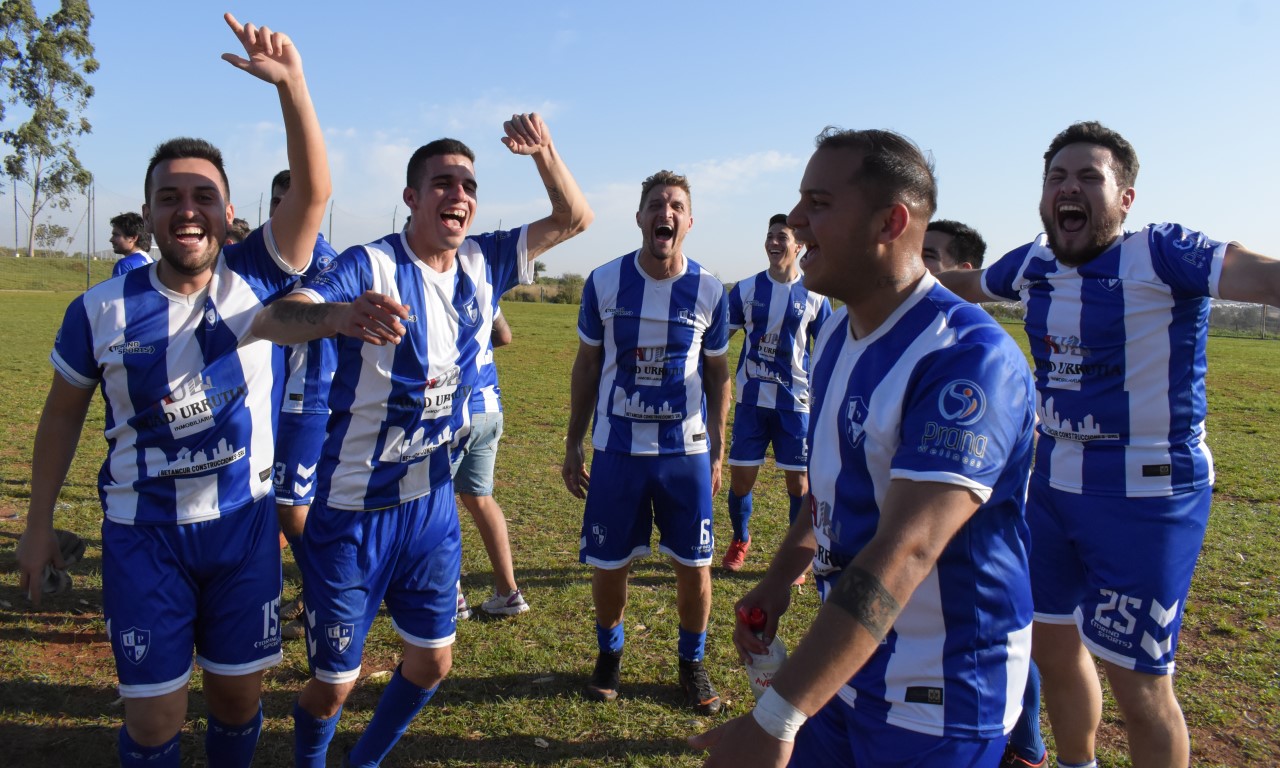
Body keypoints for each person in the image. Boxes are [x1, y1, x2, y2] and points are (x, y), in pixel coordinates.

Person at [15, 14, 329, 768]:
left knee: (237, 701)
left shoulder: (255, 274)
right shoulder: (98, 310)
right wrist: (37, 522)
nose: (186, 208)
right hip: (141, 534)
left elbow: (314, 193)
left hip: (243, 526)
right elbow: (60, 417)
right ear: (150, 213)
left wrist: (293, 86)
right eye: (169, 196)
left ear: (226, 212)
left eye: (203, 195)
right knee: (155, 722)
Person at [936, 120, 1280, 768]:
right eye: (1057, 177)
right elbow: (967, 283)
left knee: (1141, 685)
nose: (1070, 187)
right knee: (1051, 643)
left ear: (1125, 199)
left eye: (1090, 177)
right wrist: (892, 275)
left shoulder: (1163, 253)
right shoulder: (1035, 263)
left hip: (1148, 497)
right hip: (1053, 484)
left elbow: (1265, 279)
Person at [252, 112, 591, 767]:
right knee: (333, 685)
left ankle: (366, 760)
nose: (458, 194)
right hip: (354, 513)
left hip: (432, 511)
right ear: (411, 197)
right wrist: (339, 317)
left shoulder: (483, 260)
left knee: (433, 662)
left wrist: (545, 151)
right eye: (442, 182)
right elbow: (275, 318)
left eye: (467, 184)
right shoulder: (369, 264)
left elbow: (574, 217)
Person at [691, 128, 1037, 767]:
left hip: (939, 696)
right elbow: (830, 488)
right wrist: (779, 578)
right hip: (848, 667)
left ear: (891, 222)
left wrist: (773, 718)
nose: (796, 221)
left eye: (818, 202)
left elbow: (908, 547)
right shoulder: (838, 336)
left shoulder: (967, 360)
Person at [562, 170, 732, 715]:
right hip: (617, 453)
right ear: (640, 217)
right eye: (657, 204)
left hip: (685, 455)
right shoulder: (604, 281)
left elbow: (718, 374)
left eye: (677, 205)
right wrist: (573, 441)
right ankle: (609, 657)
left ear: (688, 221)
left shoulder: (710, 289)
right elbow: (587, 364)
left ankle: (692, 663)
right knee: (610, 566)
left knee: (695, 566)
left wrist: (720, 450)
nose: (667, 212)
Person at [924, 217, 1046, 768]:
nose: (914, 263)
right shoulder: (903, 338)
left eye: (929, 255)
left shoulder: (980, 356)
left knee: (998, 641)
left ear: (964, 272)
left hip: (971, 567)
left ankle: (1027, 744)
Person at [721, 213, 830, 573]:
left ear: (798, 245)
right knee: (741, 480)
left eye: (781, 236)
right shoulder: (747, 289)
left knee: (799, 484)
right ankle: (740, 538)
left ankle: (795, 556)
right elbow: (719, 340)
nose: (773, 242)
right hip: (751, 401)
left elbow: (829, 349)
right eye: (769, 235)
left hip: (796, 404)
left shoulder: (815, 295)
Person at [263, 168, 341, 640]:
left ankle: (329, 596)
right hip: (274, 400)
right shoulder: (273, 257)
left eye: (290, 201)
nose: (280, 210)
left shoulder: (323, 262)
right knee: (275, 504)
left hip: (307, 400)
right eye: (275, 201)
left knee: (292, 508)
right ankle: (272, 596)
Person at [454, 305, 531, 617]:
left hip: (454, 408)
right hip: (489, 407)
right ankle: (508, 591)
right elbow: (505, 335)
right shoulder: (486, 289)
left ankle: (451, 594)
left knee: (437, 501)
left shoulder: (434, 280)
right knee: (480, 498)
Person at [108, 211, 154, 276]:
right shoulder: (155, 264)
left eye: (116, 235)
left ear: (133, 238)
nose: (111, 240)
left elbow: (118, 286)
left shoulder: (124, 264)